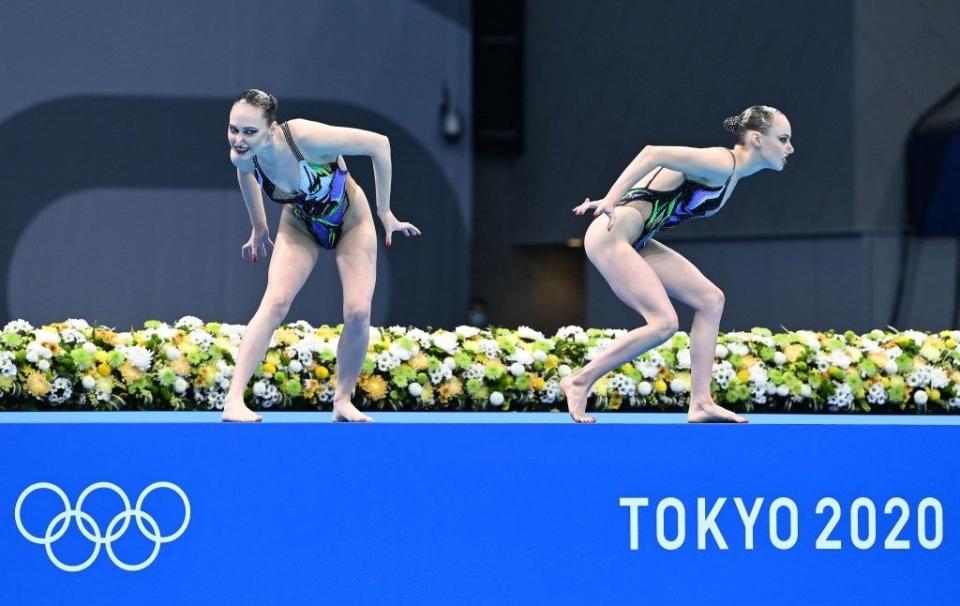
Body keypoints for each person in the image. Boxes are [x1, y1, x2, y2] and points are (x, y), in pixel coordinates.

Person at [561, 105, 794, 423]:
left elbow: (655, 183)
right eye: (783, 139)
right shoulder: (720, 163)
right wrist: (611, 200)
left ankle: (701, 402)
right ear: (756, 139)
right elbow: (652, 153)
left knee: (711, 300)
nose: (789, 148)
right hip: (611, 236)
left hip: (637, 238)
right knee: (663, 322)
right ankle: (579, 381)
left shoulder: (732, 174)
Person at [221, 89, 420, 422]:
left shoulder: (304, 138)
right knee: (275, 302)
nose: (239, 139)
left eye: (249, 131)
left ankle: (342, 400)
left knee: (357, 311)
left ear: (270, 129)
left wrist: (384, 211)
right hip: (299, 223)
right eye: (233, 129)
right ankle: (233, 400)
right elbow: (246, 178)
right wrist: (259, 228)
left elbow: (379, 144)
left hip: (350, 221)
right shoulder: (243, 156)